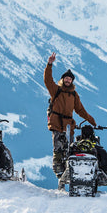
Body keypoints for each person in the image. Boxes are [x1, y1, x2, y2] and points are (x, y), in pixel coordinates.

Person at [44, 52, 96, 185]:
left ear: (72, 81)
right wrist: (49, 64)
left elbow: (79, 109)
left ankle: (71, 174)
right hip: (56, 124)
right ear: (63, 79)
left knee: (70, 150)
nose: (68, 80)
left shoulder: (74, 94)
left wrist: (90, 119)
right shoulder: (56, 90)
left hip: (69, 126)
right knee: (58, 150)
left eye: (70, 79)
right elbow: (48, 80)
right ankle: (60, 176)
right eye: (66, 78)